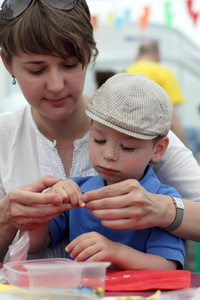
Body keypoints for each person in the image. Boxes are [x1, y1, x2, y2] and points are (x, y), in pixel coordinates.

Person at [0, 0, 200, 264]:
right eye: (37, 70)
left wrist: (162, 209)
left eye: (70, 65)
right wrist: (7, 218)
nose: (57, 85)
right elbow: (35, 243)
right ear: (8, 65)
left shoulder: (138, 126)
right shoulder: (5, 136)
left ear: (89, 56)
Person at [27, 74, 185, 270]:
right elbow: (33, 246)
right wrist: (46, 207)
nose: (109, 155)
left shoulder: (162, 201)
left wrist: (117, 252)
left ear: (158, 149)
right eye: (99, 140)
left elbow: (168, 267)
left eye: (127, 147)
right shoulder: (76, 191)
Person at [126, 40, 188, 146]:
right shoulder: (164, 73)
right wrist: (185, 148)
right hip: (152, 143)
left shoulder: (124, 73)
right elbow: (172, 118)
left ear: (138, 56)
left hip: (125, 139)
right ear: (158, 56)